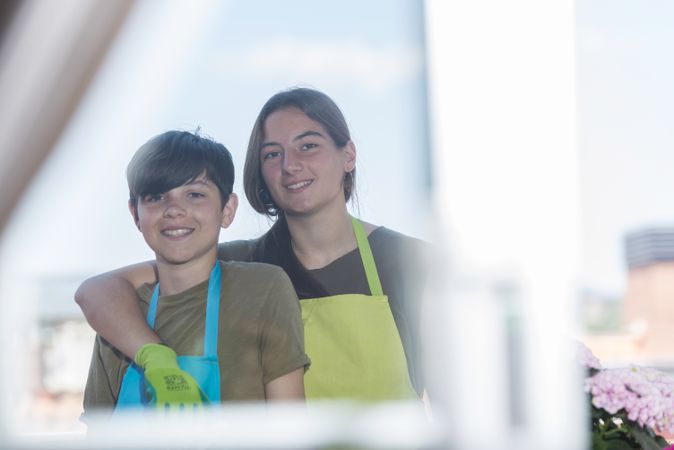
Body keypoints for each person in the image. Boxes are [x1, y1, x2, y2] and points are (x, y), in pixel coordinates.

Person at [76, 87, 428, 402]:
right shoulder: (240, 264)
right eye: (272, 154)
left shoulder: (411, 262)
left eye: (308, 146)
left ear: (348, 156)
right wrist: (155, 357)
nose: (291, 165)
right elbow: (101, 290)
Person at [81, 130, 309, 419]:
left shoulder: (263, 290)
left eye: (195, 194)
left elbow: (290, 427)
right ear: (135, 214)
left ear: (228, 209)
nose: (174, 209)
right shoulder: (122, 315)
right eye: (156, 197)